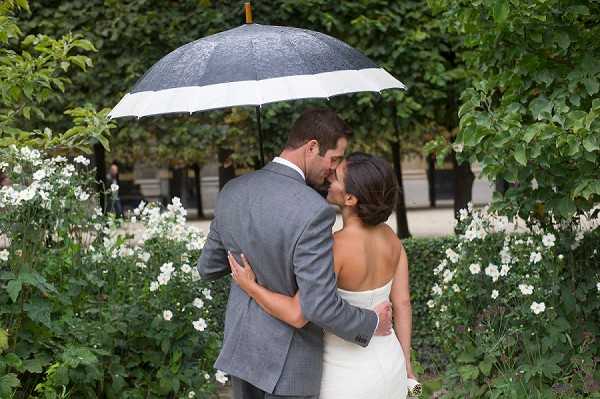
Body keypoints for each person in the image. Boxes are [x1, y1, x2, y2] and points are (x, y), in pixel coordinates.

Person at [197, 108, 393, 399]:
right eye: (334, 159)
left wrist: (251, 263)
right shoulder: (314, 212)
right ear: (312, 147)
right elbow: (318, 307)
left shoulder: (232, 191)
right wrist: (373, 323)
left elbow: (208, 267)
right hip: (289, 367)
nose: (332, 169)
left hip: (243, 353)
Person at [229, 153, 416, 399]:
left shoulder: (332, 247)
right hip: (392, 364)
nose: (329, 176)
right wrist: (407, 365)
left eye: (337, 177)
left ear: (350, 198)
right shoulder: (391, 238)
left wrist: (250, 286)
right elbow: (402, 304)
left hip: (345, 377)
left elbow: (297, 314)